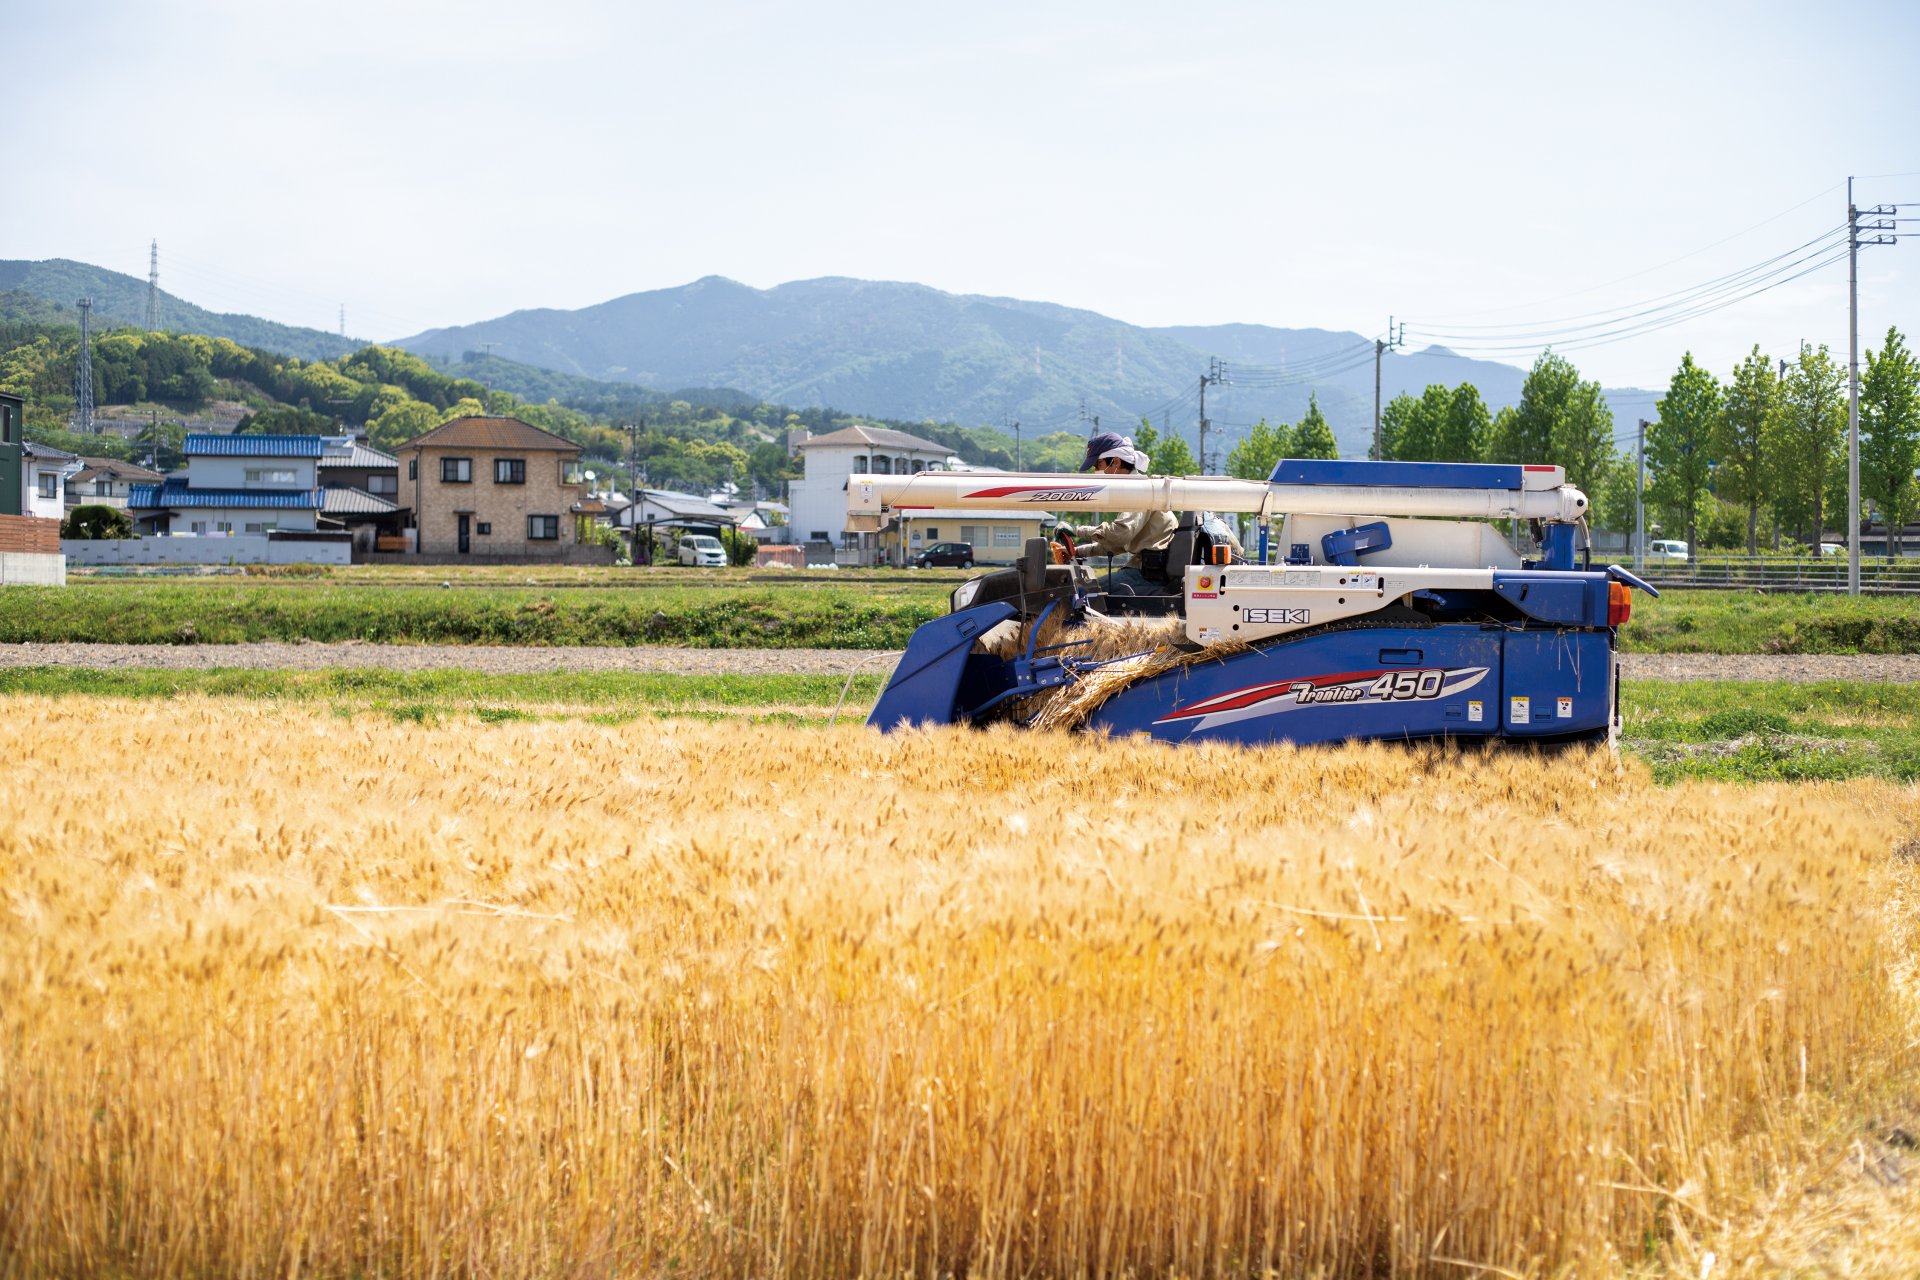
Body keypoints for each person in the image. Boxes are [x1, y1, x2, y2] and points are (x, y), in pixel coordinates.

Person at [1055, 432, 1178, 600]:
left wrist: (1077, 531)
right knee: (1084, 591)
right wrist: (1076, 551)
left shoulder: (1138, 490)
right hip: (1149, 569)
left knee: (1081, 594)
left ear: (1116, 462)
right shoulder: (1136, 489)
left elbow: (1120, 534)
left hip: (1147, 574)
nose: (1096, 471)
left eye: (1098, 465)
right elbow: (1115, 545)